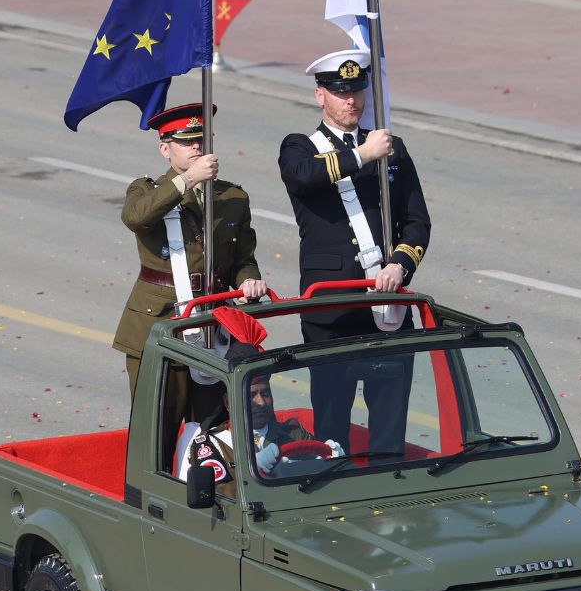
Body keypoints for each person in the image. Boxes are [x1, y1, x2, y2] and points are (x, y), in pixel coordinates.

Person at [278, 50, 431, 458]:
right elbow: (304, 177)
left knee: (389, 415)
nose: (352, 101)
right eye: (340, 92)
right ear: (320, 96)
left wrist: (400, 263)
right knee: (331, 421)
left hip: (385, 300)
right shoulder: (299, 146)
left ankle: (389, 483)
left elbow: (417, 222)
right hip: (332, 305)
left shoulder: (391, 148)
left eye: (358, 91)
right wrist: (363, 155)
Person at [113, 102, 267, 400]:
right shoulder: (146, 190)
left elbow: (243, 258)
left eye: (201, 139)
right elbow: (136, 217)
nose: (196, 146)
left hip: (214, 322)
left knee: (211, 428)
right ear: (165, 150)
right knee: (159, 431)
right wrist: (188, 180)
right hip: (161, 319)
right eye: (185, 141)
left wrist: (249, 279)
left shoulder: (232, 195)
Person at [176, 344, 313, 489]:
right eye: (251, 395)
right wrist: (254, 472)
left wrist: (332, 459)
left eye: (266, 393)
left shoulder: (294, 433)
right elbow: (223, 499)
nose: (261, 402)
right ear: (228, 402)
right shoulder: (211, 446)